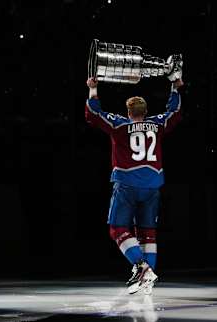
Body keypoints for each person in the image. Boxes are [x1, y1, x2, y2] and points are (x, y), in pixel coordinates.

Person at [85, 76, 183, 294]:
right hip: (152, 185)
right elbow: (174, 114)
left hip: (127, 184)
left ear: (129, 113)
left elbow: (93, 115)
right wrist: (175, 88)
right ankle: (147, 278)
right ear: (145, 112)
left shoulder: (120, 125)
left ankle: (142, 268)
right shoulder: (157, 125)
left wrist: (93, 89)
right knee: (147, 232)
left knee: (117, 229)